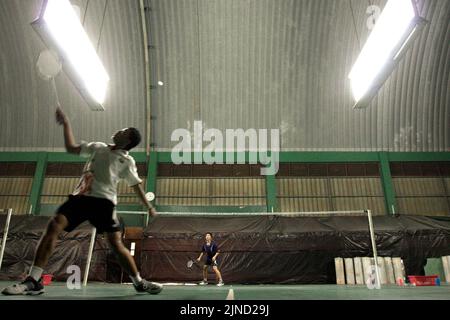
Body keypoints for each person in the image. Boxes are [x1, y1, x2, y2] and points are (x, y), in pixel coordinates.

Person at [2, 107, 162, 295]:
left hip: (104, 203)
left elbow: (135, 186)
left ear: (127, 140)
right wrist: (66, 123)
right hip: (80, 198)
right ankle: (34, 280)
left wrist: (149, 207)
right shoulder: (98, 147)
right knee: (54, 226)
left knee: (116, 244)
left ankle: (138, 282)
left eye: (123, 131)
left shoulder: (126, 161)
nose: (118, 131)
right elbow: (71, 147)